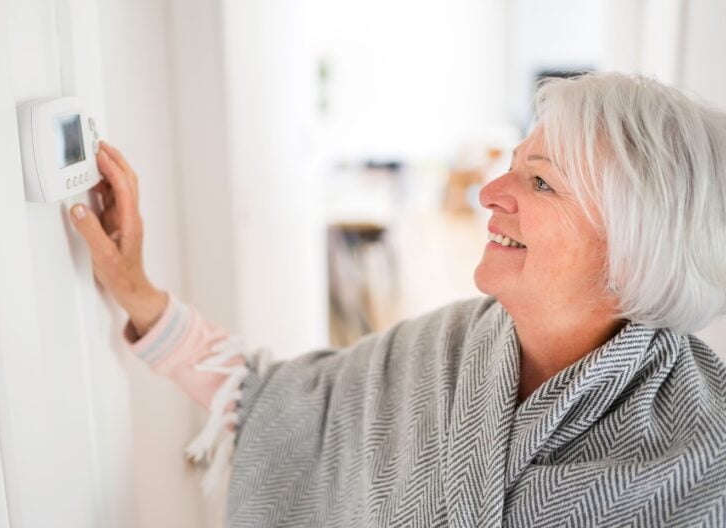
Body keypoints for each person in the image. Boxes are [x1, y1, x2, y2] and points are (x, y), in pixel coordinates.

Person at [70, 72, 726, 527]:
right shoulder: (438, 353)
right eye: (512, 162)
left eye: (540, 181)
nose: (489, 191)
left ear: (634, 250)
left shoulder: (707, 461)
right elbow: (274, 403)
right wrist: (138, 291)